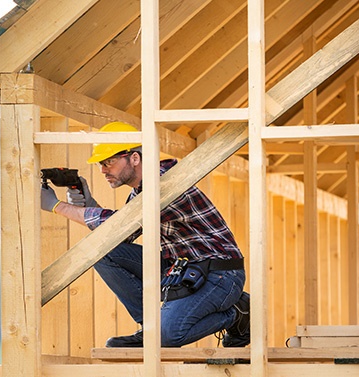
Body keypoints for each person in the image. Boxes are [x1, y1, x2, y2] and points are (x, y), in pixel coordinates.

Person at [40, 121, 250, 348]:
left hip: (220, 274)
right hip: (182, 267)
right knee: (101, 252)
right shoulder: (140, 191)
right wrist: (88, 203)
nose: (102, 170)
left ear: (135, 158)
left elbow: (120, 224)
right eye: (101, 164)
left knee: (167, 338)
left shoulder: (164, 183)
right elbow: (121, 236)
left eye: (108, 162)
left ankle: (238, 314)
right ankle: (148, 328)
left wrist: (57, 206)